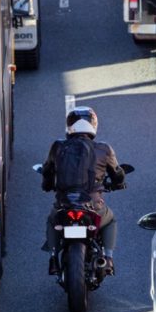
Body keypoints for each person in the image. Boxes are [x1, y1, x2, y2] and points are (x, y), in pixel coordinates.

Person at [41, 107, 126, 275]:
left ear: (70, 126)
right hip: (93, 206)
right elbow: (117, 174)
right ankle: (108, 259)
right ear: (93, 125)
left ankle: (53, 259)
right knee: (110, 220)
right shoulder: (104, 149)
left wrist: (47, 185)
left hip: (64, 204)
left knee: (52, 220)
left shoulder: (58, 147)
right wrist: (118, 183)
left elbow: (47, 171)